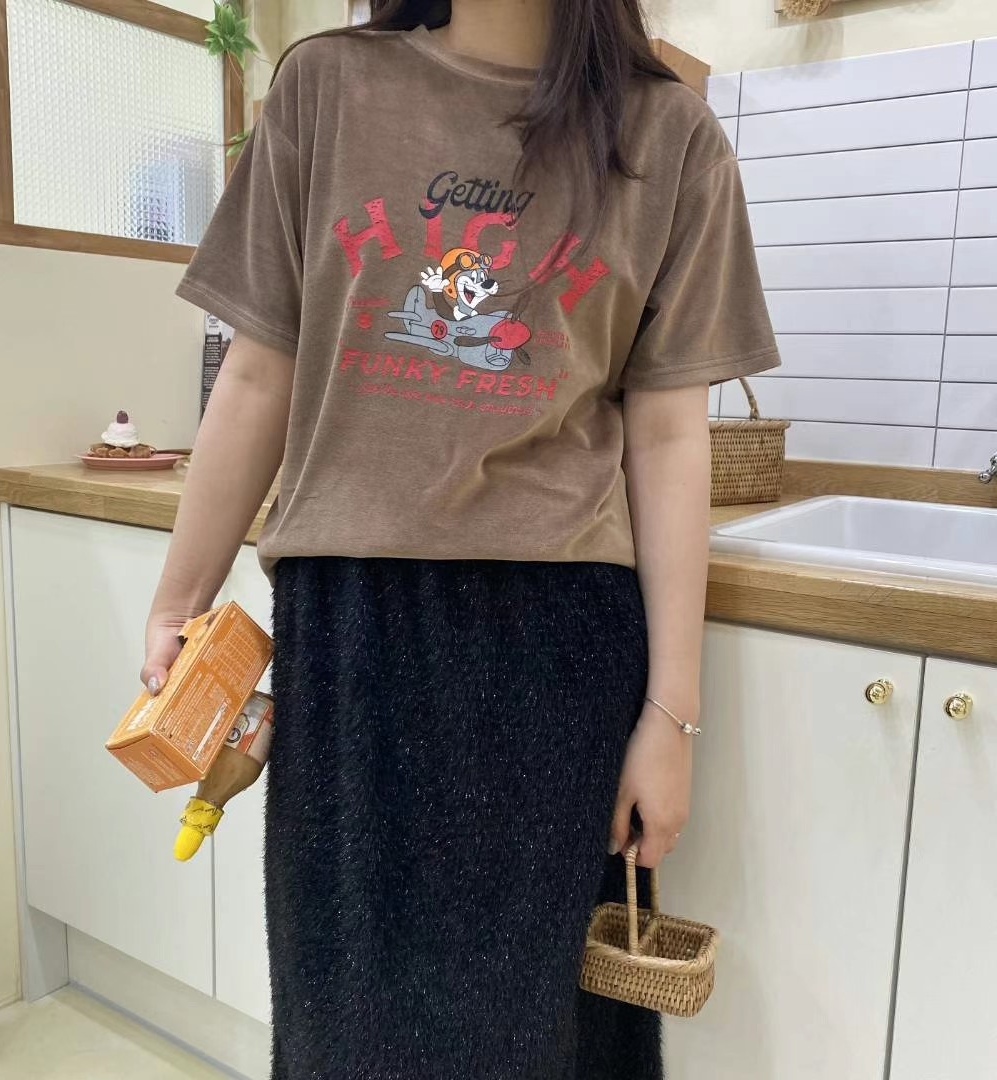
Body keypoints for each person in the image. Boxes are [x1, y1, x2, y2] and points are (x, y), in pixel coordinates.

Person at [141, 1, 780, 1077]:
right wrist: (177, 604)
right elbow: (257, 373)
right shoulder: (325, 87)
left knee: (531, 1033)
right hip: (353, 637)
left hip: (556, 648)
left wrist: (672, 716)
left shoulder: (670, 136)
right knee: (344, 1022)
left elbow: (671, 436)